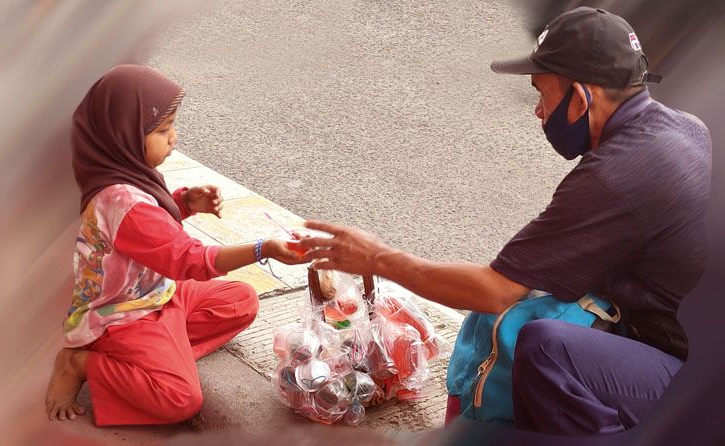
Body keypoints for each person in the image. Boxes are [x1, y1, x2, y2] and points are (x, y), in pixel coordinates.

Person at [298, 7, 711, 435]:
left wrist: (378, 258)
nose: (538, 111)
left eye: (543, 93)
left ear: (583, 97)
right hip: (677, 327)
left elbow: (495, 290)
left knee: (545, 348)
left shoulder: (616, 175)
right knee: (528, 301)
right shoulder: (685, 128)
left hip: (686, 367)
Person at [44, 65, 307, 425]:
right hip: (124, 314)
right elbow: (189, 261)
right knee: (180, 399)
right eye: (163, 130)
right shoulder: (124, 203)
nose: (174, 138)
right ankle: (81, 363)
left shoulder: (124, 176)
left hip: (158, 293)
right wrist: (264, 249)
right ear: (124, 136)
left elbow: (150, 236)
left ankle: (161, 357)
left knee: (241, 300)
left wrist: (184, 202)